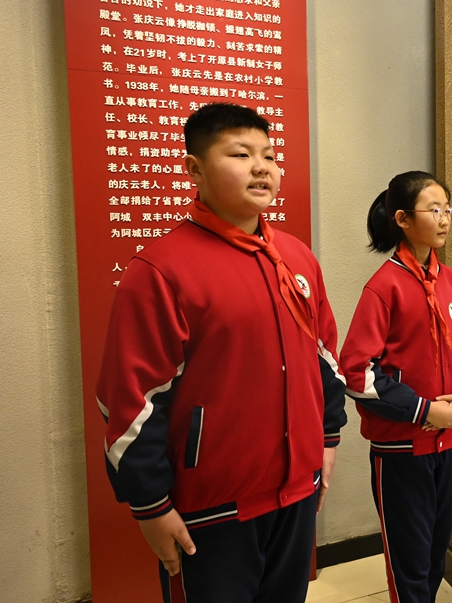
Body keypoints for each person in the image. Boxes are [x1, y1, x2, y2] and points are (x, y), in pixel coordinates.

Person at [96, 102, 347, 603]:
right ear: (194, 168)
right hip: (209, 509)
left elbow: (324, 356)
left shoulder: (297, 257)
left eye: (269, 155)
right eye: (240, 154)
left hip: (296, 493)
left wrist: (327, 436)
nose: (262, 167)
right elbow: (130, 400)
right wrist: (150, 505)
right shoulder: (162, 270)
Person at [340, 171, 452, 603]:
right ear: (402, 219)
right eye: (433, 209)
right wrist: (424, 410)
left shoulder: (451, 281)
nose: (444, 219)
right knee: (410, 564)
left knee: (436, 557)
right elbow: (356, 371)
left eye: (448, 209)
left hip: (449, 443)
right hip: (401, 451)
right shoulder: (384, 286)